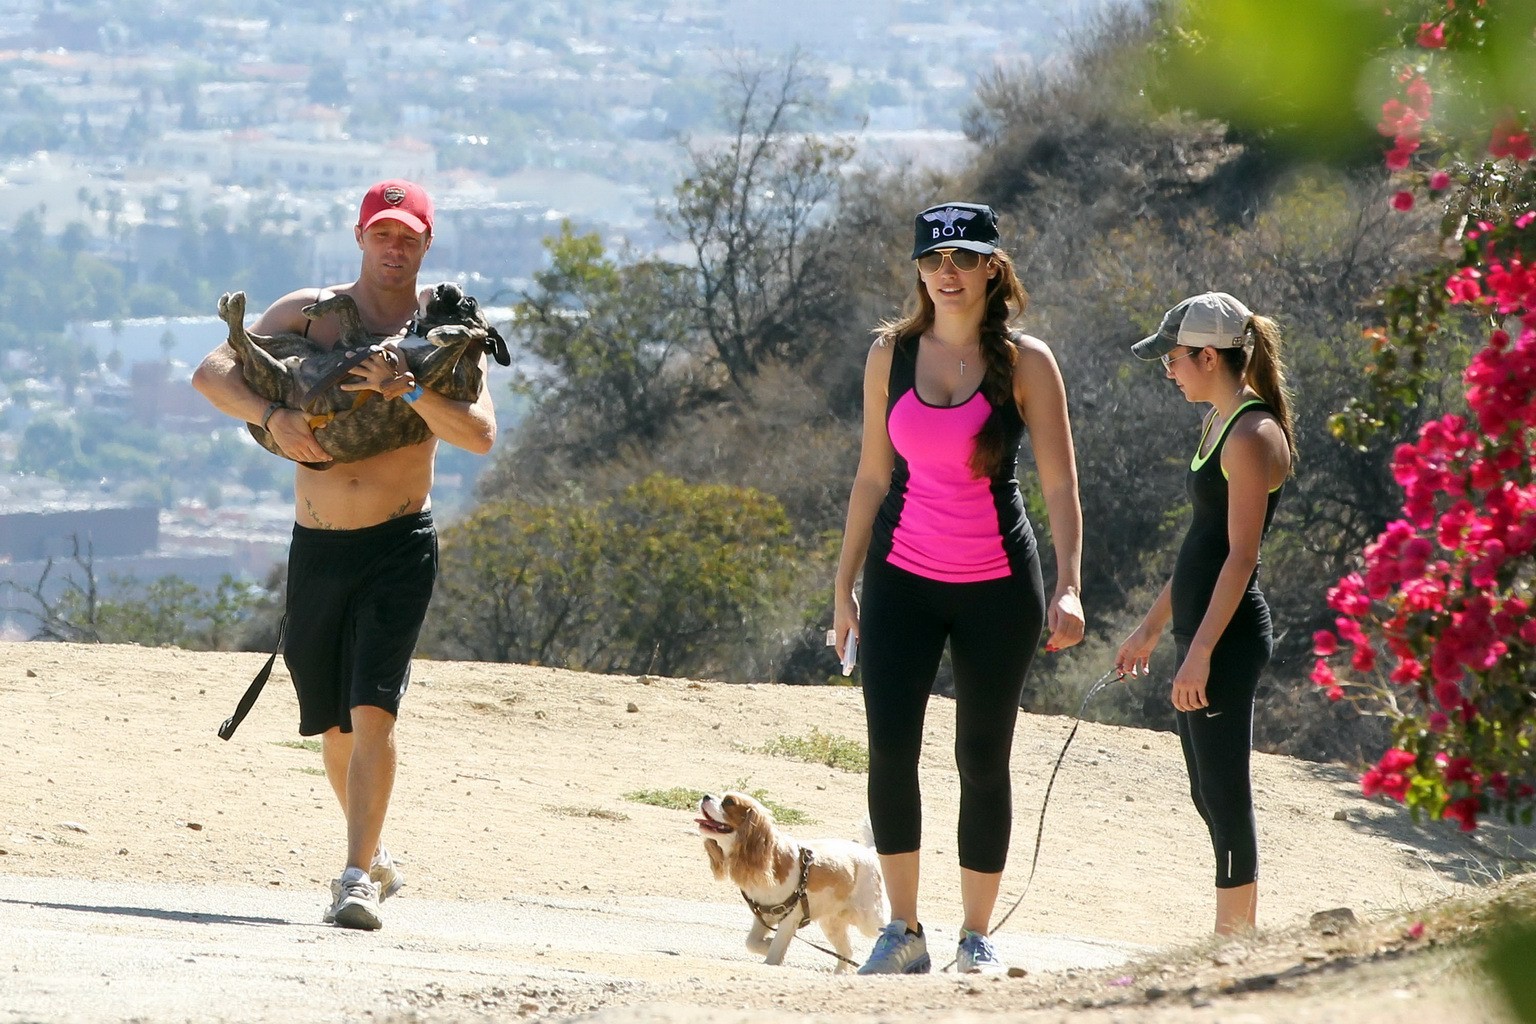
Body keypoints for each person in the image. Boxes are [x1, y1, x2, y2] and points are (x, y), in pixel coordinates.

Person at [191, 179, 497, 930]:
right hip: (317, 547)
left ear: (428, 245)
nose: (395, 248)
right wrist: (272, 417)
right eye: (383, 234)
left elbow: (480, 434)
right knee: (333, 725)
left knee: (373, 711)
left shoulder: (446, 331)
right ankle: (376, 850)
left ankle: (355, 877)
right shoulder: (308, 313)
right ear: (361, 236)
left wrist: (411, 390)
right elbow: (211, 373)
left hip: (399, 542)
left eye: (410, 237)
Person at [832, 201, 1085, 975]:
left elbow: (1061, 483)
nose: (948, 272)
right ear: (918, 269)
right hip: (902, 579)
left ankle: (977, 936)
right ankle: (903, 931)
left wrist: (1070, 586)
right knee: (889, 752)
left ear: (991, 269)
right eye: (935, 259)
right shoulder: (889, 356)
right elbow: (873, 475)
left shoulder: (1027, 362)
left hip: (998, 587)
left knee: (982, 756)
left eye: (964, 258)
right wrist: (843, 588)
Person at [1114, 291, 1295, 936]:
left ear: (1208, 356)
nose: (1168, 369)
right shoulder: (1219, 424)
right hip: (1201, 635)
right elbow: (1202, 544)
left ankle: (1233, 942)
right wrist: (1154, 625)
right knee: (1203, 789)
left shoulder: (1251, 433)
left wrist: (1199, 653)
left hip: (1227, 639)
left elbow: (1240, 557)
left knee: (1223, 791)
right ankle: (1234, 935)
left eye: (1174, 358)